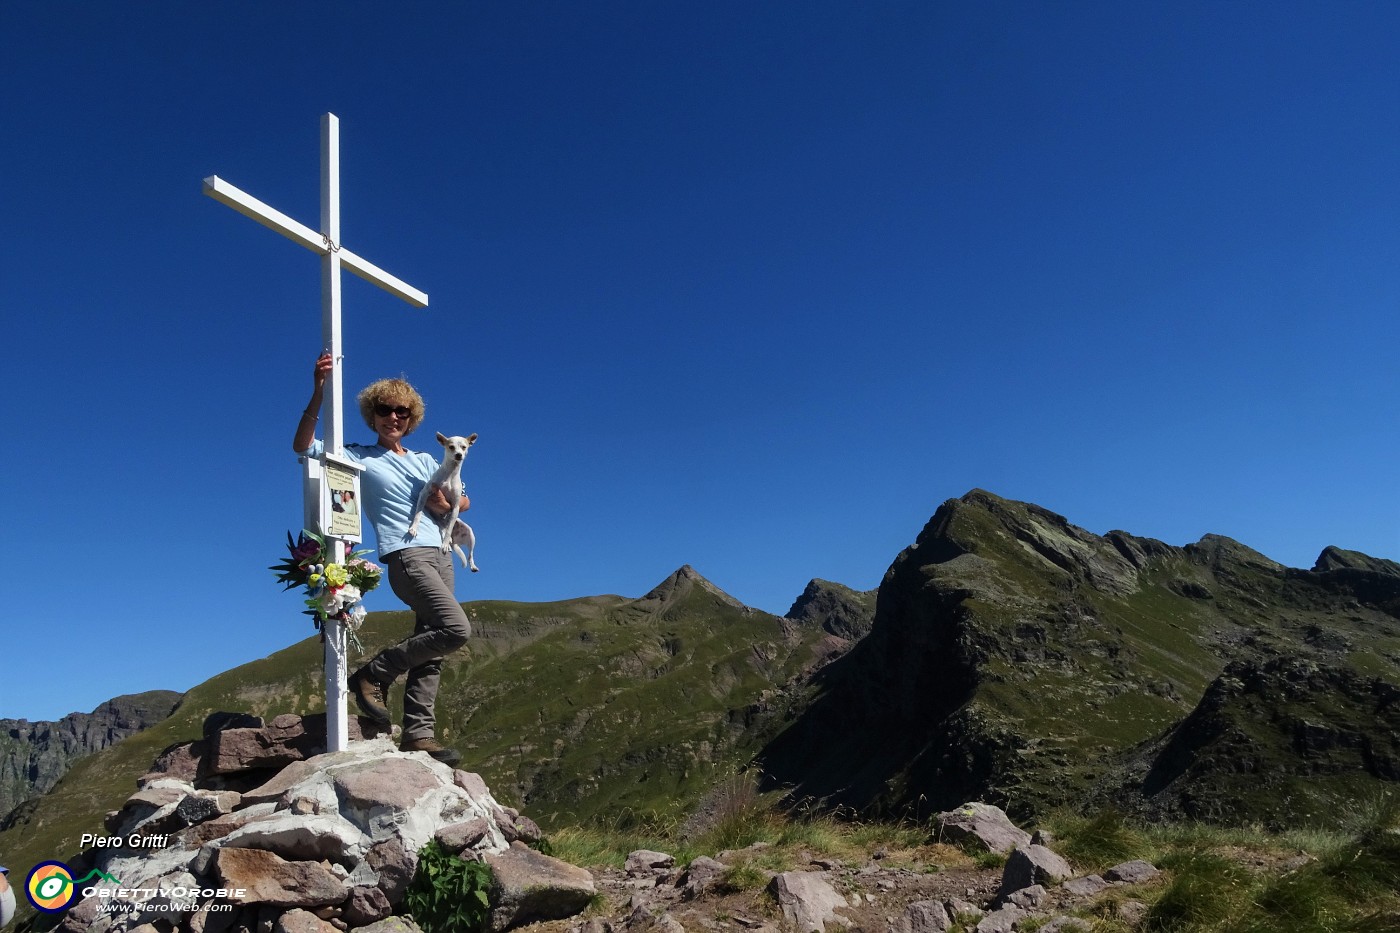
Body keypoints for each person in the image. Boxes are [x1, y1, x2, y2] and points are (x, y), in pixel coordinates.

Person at [293, 352, 471, 764]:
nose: (394, 417)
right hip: (406, 554)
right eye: (385, 410)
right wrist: (318, 392)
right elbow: (302, 446)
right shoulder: (356, 454)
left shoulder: (429, 460)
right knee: (455, 628)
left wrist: (448, 502)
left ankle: (418, 735)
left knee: (436, 647)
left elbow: (462, 502)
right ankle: (375, 673)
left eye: (403, 412)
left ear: (413, 419)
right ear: (371, 415)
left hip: (442, 551)